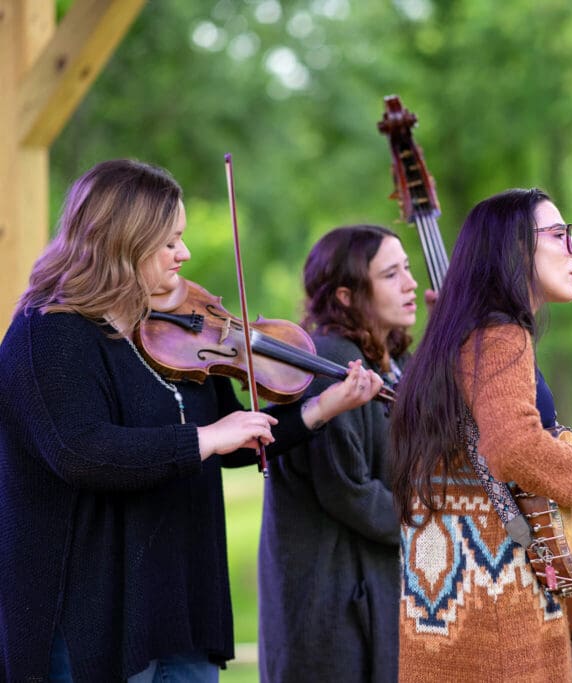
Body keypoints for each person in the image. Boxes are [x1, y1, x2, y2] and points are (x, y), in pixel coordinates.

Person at [0, 159, 383, 683]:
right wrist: (204, 438)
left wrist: (321, 408)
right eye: (167, 242)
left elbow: (233, 436)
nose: (183, 253)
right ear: (119, 240)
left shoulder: (171, 328)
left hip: (179, 601)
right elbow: (81, 452)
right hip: (92, 613)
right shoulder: (47, 332)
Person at [389, 187, 572, 682]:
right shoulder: (500, 336)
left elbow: (508, 492)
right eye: (562, 235)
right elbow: (514, 448)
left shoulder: (454, 341)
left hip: (446, 619)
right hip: (499, 620)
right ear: (517, 247)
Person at [258, 225, 420, 682]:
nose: (410, 283)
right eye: (391, 274)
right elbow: (349, 490)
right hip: (330, 604)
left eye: (406, 268)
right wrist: (434, 522)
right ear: (346, 296)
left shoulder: (394, 363)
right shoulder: (330, 364)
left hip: (371, 590)